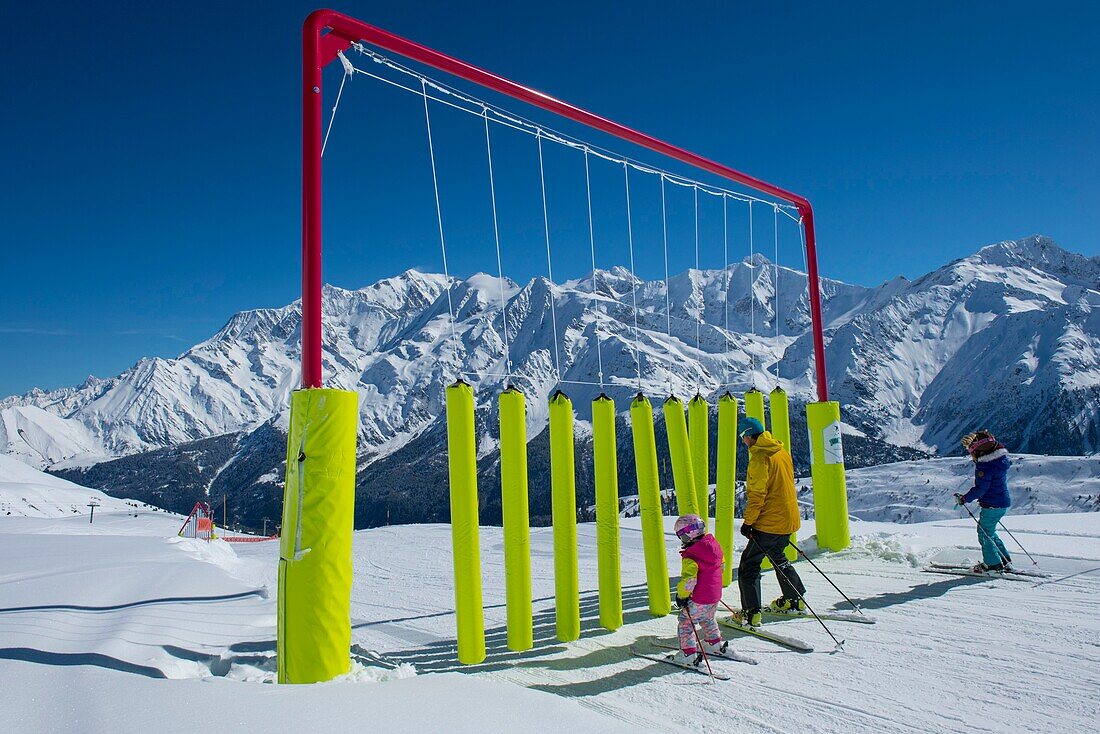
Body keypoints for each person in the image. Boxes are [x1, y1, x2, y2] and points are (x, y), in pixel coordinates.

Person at [734, 416, 806, 627]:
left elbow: (757, 496)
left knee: (749, 565)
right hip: (788, 518)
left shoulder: (759, 458)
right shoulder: (780, 450)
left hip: (769, 522)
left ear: (749, 435)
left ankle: (751, 613)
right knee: (778, 556)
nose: (743, 441)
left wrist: (748, 523)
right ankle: (795, 599)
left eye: (742, 437)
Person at [669, 514, 727, 666]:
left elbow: (689, 580)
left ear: (687, 535)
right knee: (707, 618)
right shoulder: (714, 546)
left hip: (699, 598)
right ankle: (714, 643)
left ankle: (688, 654)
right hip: (714, 595)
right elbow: (721, 566)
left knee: (686, 622)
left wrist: (682, 596)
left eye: (681, 535)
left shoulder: (692, 556)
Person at [956, 430, 1013, 572]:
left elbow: (981, 489)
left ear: (979, 452)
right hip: (1001, 503)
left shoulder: (985, 467)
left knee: (984, 533)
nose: (971, 455)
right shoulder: (998, 461)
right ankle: (1003, 559)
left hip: (991, 505)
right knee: (990, 532)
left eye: (972, 451)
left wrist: (964, 498)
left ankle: (992, 564)